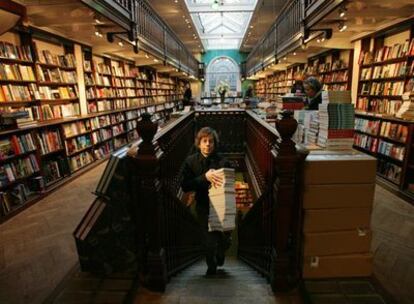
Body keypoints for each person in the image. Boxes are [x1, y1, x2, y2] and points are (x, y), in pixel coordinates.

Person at [181, 127, 232, 275]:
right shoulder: (190, 162)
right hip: (203, 205)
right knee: (208, 241)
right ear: (199, 143)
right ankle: (211, 265)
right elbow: (185, 186)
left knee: (223, 238)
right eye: (205, 141)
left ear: (215, 143)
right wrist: (205, 177)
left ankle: (221, 251)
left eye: (211, 141)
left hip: (221, 206)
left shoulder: (223, 161)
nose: (208, 144)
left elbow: (229, 187)